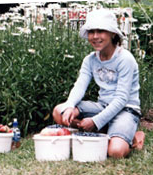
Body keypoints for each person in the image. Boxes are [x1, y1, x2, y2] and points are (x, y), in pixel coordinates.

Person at [53, 8, 145, 159]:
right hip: (102, 106)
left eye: (101, 31)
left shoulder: (125, 59)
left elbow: (122, 99)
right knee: (59, 112)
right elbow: (80, 86)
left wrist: (96, 121)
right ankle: (108, 131)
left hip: (126, 110)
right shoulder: (90, 59)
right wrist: (70, 106)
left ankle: (133, 136)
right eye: (91, 31)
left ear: (112, 33)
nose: (95, 37)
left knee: (115, 152)